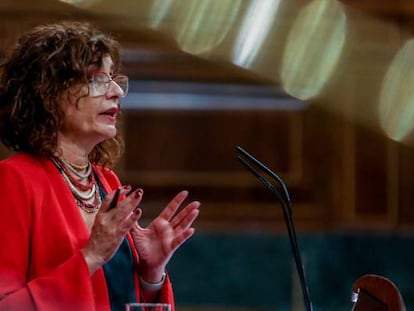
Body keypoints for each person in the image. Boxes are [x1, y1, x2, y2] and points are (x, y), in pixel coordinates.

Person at [0, 21, 200, 311]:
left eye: (116, 79)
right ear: (49, 93)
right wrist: (91, 256)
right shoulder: (14, 181)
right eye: (98, 80)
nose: (118, 91)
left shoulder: (107, 182)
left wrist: (150, 275)